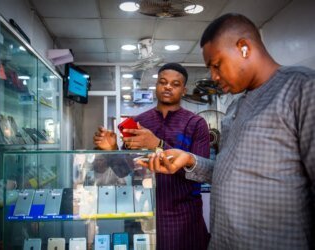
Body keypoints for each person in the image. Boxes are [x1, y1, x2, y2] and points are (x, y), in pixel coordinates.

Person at [139, 13, 315, 250]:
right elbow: (227, 171)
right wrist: (189, 160)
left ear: (243, 48)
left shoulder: (301, 89)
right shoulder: (235, 107)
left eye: (216, 65)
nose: (214, 76)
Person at [93, 63, 210, 250]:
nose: (168, 87)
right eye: (163, 82)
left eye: (175, 84)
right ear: (156, 86)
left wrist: (158, 145)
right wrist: (112, 149)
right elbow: (123, 171)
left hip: (184, 217)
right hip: (143, 213)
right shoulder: (139, 122)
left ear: (183, 89)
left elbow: (203, 173)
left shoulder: (196, 124)